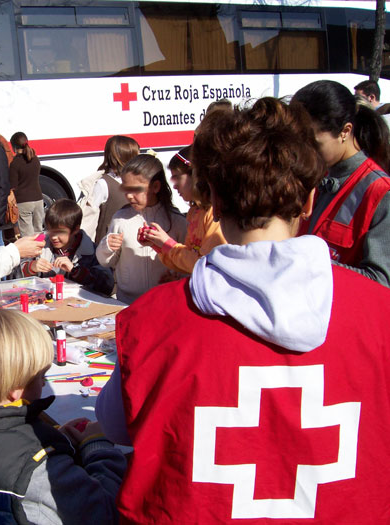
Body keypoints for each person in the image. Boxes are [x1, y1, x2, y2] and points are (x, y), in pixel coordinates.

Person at [96, 96, 390, 522]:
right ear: (309, 201)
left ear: (212, 196)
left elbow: (113, 423)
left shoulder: (151, 319)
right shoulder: (379, 312)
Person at [0, 309, 127, 524]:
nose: (44, 384)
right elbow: (106, 512)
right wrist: (98, 445)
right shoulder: (38, 471)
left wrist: (53, 439)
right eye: (41, 376)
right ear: (16, 389)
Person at [292, 80, 390, 287]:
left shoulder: (380, 192)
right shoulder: (311, 176)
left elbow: (380, 282)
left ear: (345, 131)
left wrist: (309, 264)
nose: (304, 151)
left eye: (312, 142)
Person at [96, 154, 188, 303]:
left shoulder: (176, 221)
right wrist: (107, 247)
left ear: (155, 187)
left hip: (165, 301)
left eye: (135, 190)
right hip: (127, 302)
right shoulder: (120, 218)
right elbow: (107, 262)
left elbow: (189, 262)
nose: (130, 196)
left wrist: (178, 280)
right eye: (126, 190)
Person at [142, 146, 226, 273]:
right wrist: (158, 244)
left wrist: (167, 243)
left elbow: (204, 265)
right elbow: (186, 262)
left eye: (177, 177)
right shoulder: (195, 212)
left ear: (195, 176)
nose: (174, 186)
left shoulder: (215, 214)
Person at [22, 198, 114, 296]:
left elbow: (107, 286)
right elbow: (13, 274)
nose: (53, 237)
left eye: (59, 232)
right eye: (50, 230)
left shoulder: (93, 253)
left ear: (75, 229)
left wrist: (75, 271)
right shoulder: (39, 245)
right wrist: (30, 267)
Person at [78, 135, 140, 243]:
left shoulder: (137, 181)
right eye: (137, 156)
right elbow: (89, 220)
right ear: (126, 157)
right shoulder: (103, 184)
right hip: (108, 250)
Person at [9, 131, 44, 237]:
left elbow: (13, 184)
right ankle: (40, 253)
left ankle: (32, 254)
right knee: (39, 232)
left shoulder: (15, 163)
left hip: (23, 202)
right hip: (38, 199)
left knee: (27, 236)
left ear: (14, 146)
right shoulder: (35, 159)